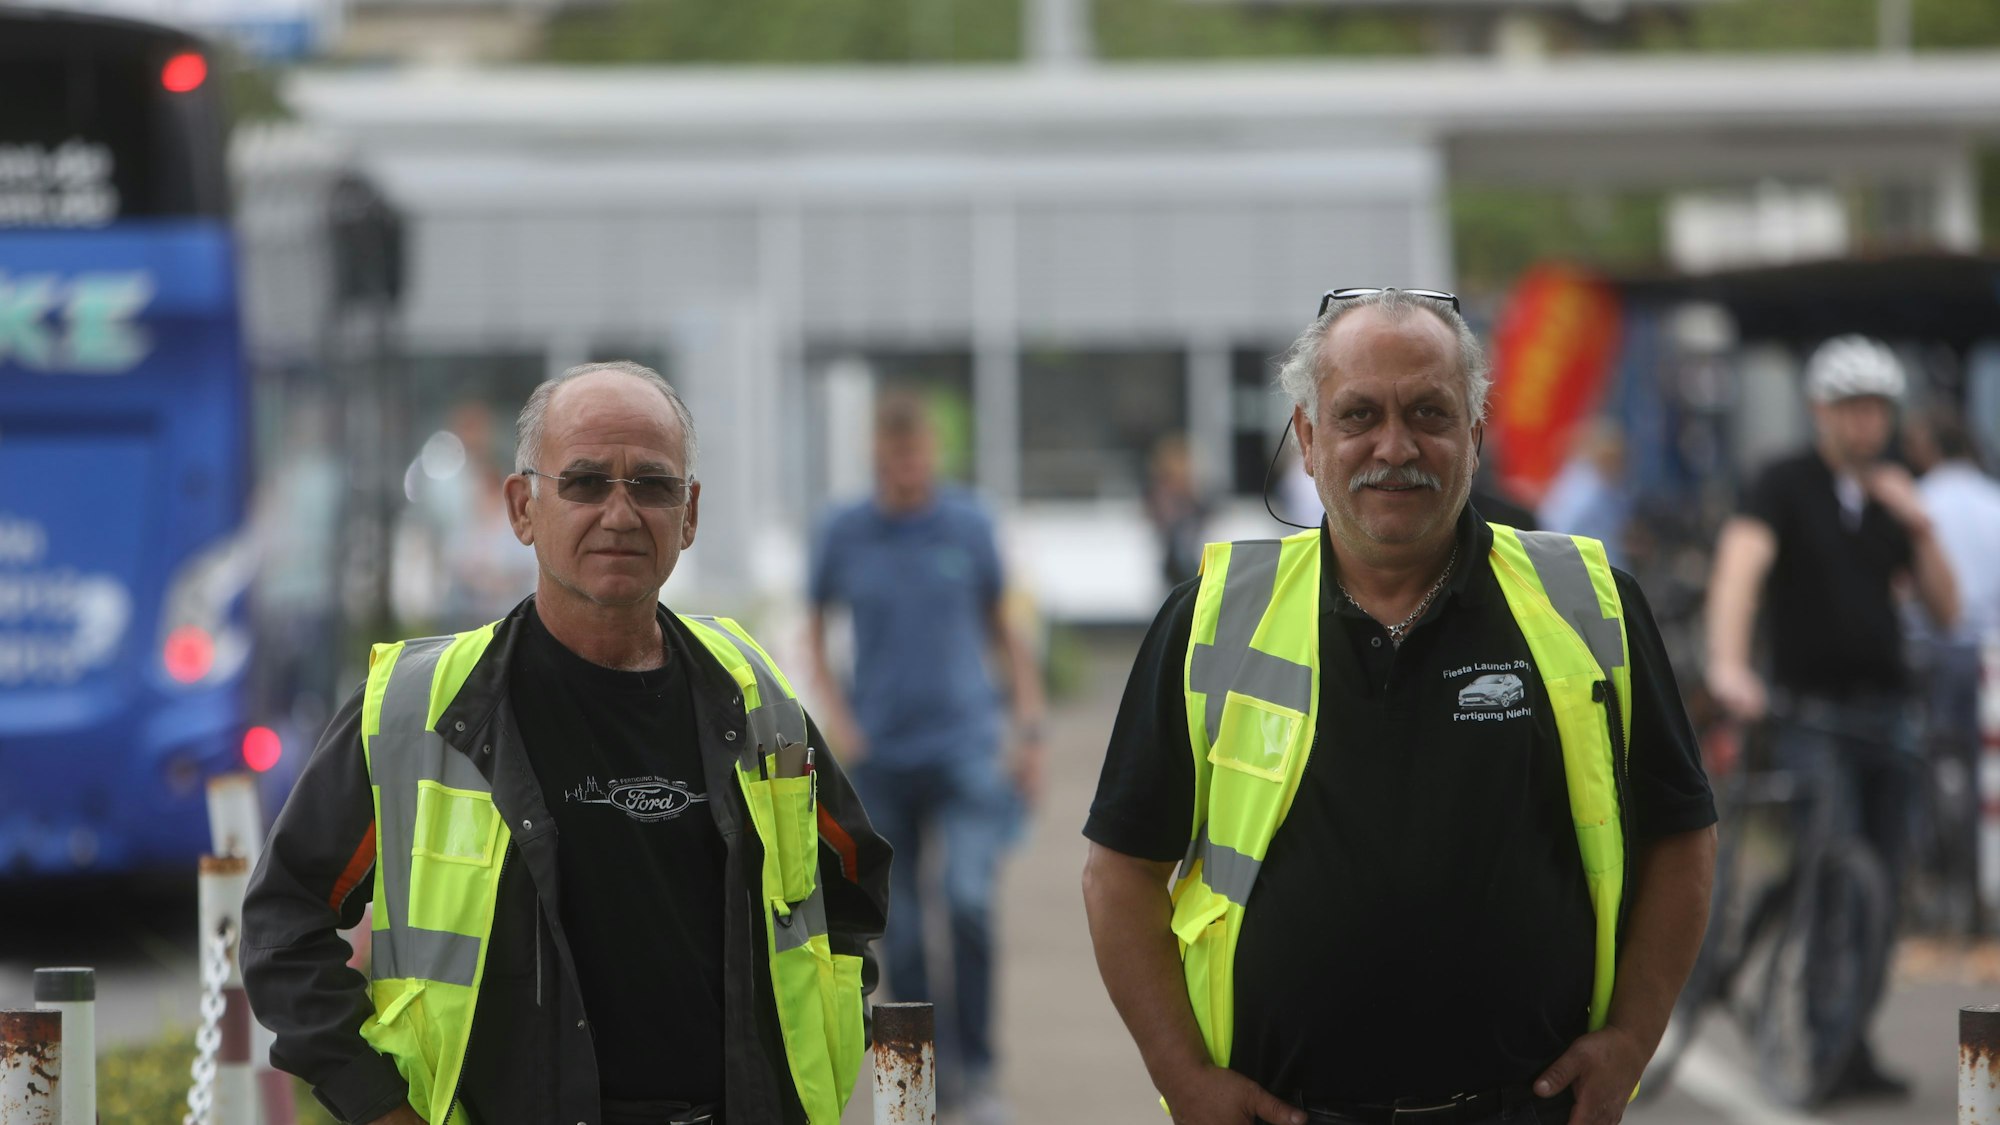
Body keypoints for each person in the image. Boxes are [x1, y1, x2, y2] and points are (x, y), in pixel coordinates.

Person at [1083, 287, 1717, 1125]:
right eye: (1358, 416)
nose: (1395, 445)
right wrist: (1185, 1078)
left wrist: (1634, 1038)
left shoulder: (1587, 604)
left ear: (1476, 435)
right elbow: (1119, 875)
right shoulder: (1214, 617)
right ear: (1308, 441)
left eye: (1429, 411)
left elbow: (1682, 840)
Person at [242, 361, 890, 1125]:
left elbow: (850, 885)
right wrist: (380, 1107)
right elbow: (283, 929)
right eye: (584, 482)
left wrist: (806, 1067)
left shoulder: (756, 697)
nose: (620, 513)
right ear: (522, 507)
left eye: (652, 485)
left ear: (689, 514)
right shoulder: (415, 710)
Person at [1705, 335, 1958, 1097]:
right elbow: (1739, 571)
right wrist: (1729, 665)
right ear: (1820, 410)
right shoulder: (1784, 482)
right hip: (1813, 714)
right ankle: (1820, 1038)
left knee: (1885, 882)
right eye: (1850, 407)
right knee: (1836, 872)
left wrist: (1919, 524)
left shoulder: (1895, 491)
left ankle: (1854, 1039)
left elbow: (1947, 611)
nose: (1864, 423)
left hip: (1890, 713)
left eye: (1877, 408)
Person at [805, 391, 1046, 1120]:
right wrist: (841, 723)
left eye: (916, 455)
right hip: (880, 756)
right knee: (898, 926)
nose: (906, 469)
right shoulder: (844, 532)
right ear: (877, 455)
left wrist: (1027, 725)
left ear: (931, 453)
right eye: (893, 456)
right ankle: (914, 1084)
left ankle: (979, 1072)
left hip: (967, 747)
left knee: (969, 901)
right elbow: (812, 629)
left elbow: (1005, 628)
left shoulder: (968, 525)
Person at [1905, 406, 2000, 932]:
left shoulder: (1920, 502)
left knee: (1925, 764)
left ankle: (1933, 879)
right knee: (1984, 773)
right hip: (1987, 656)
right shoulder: (1994, 501)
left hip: (1932, 651)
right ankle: (1982, 886)